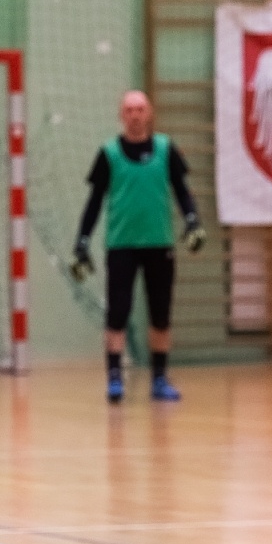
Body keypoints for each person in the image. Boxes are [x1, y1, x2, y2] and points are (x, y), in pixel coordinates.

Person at [72, 90, 204, 403]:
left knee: (161, 313)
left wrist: (192, 221)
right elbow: (94, 202)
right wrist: (82, 241)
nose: (135, 114)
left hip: (159, 243)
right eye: (129, 109)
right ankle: (115, 377)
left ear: (150, 113)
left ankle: (159, 378)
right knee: (117, 311)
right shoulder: (108, 153)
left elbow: (182, 192)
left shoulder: (165, 149)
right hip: (121, 245)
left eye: (140, 109)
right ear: (121, 115)